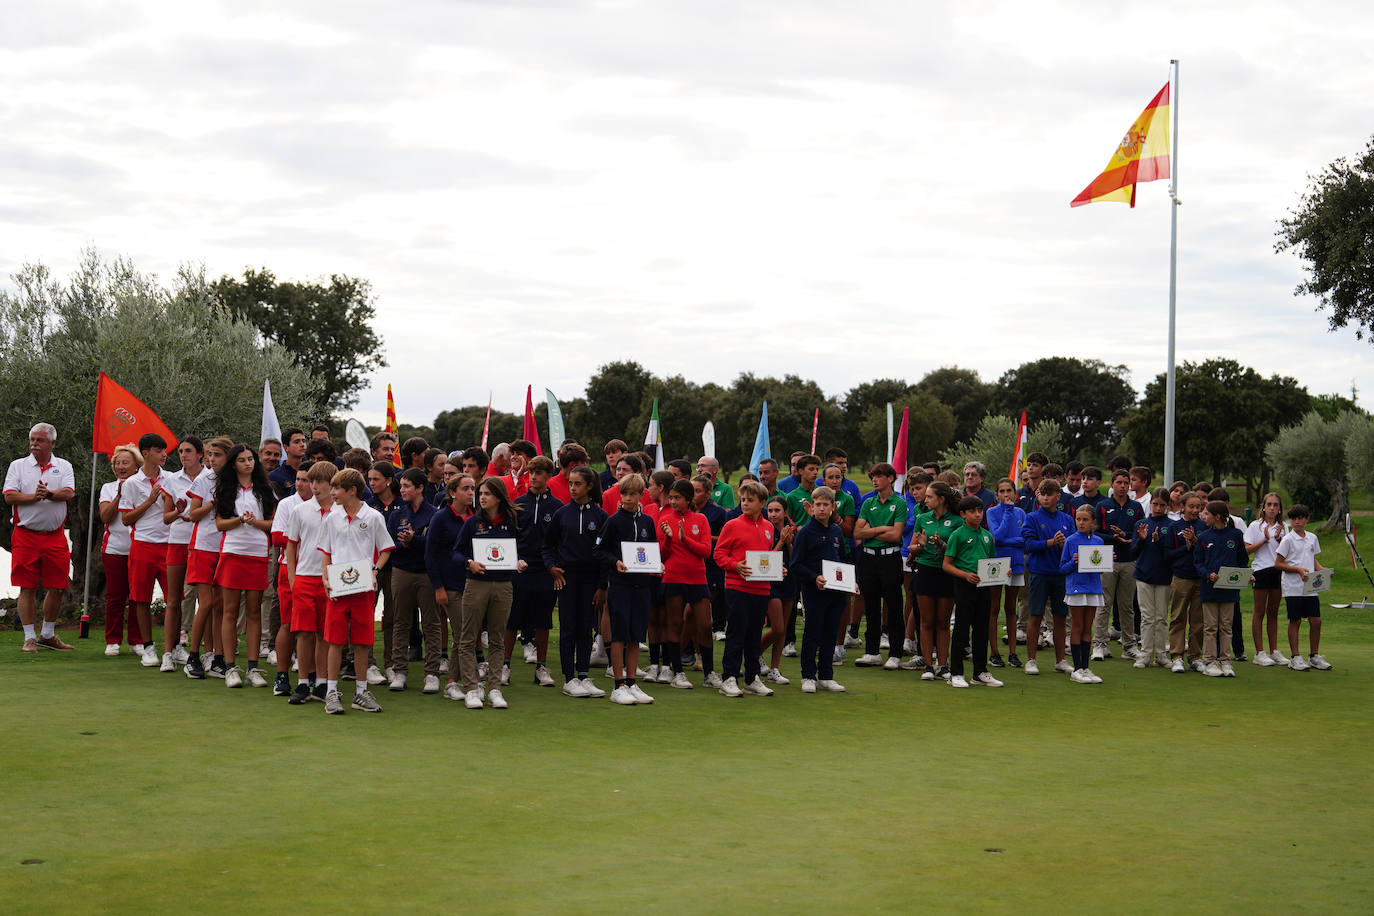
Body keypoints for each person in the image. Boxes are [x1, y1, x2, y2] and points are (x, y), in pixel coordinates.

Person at [318, 468, 394, 714]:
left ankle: (361, 693)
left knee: (362, 643)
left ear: (351, 490)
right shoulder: (331, 517)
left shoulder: (373, 517)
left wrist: (374, 571)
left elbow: (385, 549)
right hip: (338, 589)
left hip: (363, 589)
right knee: (335, 641)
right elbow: (326, 552)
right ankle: (331, 692)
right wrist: (325, 578)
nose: (332, 493)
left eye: (336, 488)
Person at [454, 476, 526, 709]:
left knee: (497, 639)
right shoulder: (472, 523)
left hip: (503, 585)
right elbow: (455, 553)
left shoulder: (511, 521)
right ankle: (472, 689)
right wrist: (468, 563)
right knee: (468, 638)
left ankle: (494, 689)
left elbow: (518, 551)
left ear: (498, 496)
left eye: (487, 494)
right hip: (476, 584)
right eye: (480, 493)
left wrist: (520, 562)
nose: (481, 497)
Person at [213, 444, 277, 688]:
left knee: (254, 612)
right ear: (233, 464)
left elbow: (272, 525)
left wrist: (254, 522)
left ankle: (252, 668)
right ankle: (230, 668)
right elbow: (220, 524)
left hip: (258, 554)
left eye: (250, 459)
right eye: (242, 460)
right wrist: (240, 520)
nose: (248, 463)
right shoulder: (226, 490)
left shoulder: (266, 490)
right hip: (232, 553)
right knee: (229, 612)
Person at [593, 473, 660, 704]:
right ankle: (618, 685)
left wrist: (658, 564)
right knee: (619, 634)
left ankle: (632, 683)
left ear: (642, 495)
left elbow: (651, 549)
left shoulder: (647, 522)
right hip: (620, 585)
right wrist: (616, 562)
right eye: (624, 494)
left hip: (642, 585)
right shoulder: (613, 521)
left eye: (632, 494)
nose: (627, 498)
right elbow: (599, 551)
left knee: (635, 635)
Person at [543, 464, 608, 698]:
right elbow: (547, 547)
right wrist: (552, 568)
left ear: (589, 486)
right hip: (567, 579)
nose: (572, 488)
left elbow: (605, 553)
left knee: (585, 629)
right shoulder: (562, 514)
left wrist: (602, 586)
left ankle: (583, 675)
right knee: (568, 628)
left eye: (577, 484)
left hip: (591, 581)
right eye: (570, 483)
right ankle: (569, 678)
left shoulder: (600, 516)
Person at [713, 480, 777, 697]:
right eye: (743, 500)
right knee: (736, 633)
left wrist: (779, 570)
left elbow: (766, 558)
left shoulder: (769, 527)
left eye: (750, 500)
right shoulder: (732, 525)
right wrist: (735, 565)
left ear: (762, 503)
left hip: (762, 589)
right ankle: (729, 678)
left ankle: (752, 678)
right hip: (736, 587)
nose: (745, 503)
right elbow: (719, 554)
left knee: (753, 634)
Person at [282, 460, 338, 703]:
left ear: (332, 484)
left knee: (325, 633)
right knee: (303, 633)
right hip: (305, 578)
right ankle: (303, 682)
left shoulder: (341, 511)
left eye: (320, 482)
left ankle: (323, 683)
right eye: (311, 481)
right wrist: (293, 580)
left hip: (332, 580)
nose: (314, 486)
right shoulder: (300, 510)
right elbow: (290, 547)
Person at [505, 456, 561, 689]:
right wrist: (515, 559)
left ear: (548, 476)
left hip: (545, 571)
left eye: (539, 472)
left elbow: (558, 542)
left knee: (543, 621)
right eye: (532, 472)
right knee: (511, 620)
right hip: (520, 569)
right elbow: (511, 538)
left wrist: (553, 566)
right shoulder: (518, 503)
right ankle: (504, 666)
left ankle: (541, 667)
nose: (534, 476)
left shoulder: (557, 507)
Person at [789, 485, 850, 693]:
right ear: (812, 506)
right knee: (812, 632)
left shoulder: (836, 531)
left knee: (830, 633)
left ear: (833, 507)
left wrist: (852, 582)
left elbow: (842, 559)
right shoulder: (805, 532)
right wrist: (814, 577)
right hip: (814, 590)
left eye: (825, 505)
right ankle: (808, 675)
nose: (821, 508)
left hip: (836, 591)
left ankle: (826, 676)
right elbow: (795, 564)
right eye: (818, 505)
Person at [119, 432, 173, 667]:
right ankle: (148, 647)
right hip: (142, 544)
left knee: (175, 599)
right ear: (146, 453)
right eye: (159, 451)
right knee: (141, 598)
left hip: (170, 544)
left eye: (164, 450)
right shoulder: (131, 483)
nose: (164, 454)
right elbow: (125, 519)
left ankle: (173, 647)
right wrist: (150, 501)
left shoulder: (171, 478)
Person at [658, 478, 717, 688]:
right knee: (675, 623)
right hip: (673, 577)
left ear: (688, 499)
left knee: (705, 625)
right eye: (671, 498)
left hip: (697, 578)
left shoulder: (700, 520)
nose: (673, 502)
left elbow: (706, 551)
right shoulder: (664, 518)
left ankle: (709, 673)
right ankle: (678, 673)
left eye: (677, 498)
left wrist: (684, 539)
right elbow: (662, 555)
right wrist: (667, 538)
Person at [386, 468, 440, 694]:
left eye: (407, 486)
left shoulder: (434, 514)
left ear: (420, 488)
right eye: (402, 486)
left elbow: (435, 546)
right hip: (401, 571)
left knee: (431, 623)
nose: (402, 490)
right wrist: (405, 544)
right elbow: (388, 544)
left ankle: (432, 674)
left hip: (427, 573)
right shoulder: (397, 514)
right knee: (401, 622)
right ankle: (399, 671)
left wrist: (414, 540)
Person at [184, 436, 232, 678]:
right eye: (210, 455)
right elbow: (193, 514)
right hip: (204, 546)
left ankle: (216, 657)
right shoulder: (205, 479)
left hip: (226, 547)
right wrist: (213, 503)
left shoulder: (234, 480)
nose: (211, 460)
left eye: (217, 455)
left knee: (221, 605)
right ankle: (193, 656)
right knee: (207, 603)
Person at [942, 496, 1002, 688]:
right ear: (963, 514)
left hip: (983, 587)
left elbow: (991, 562)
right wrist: (965, 575)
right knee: (961, 629)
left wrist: (1003, 571)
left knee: (981, 629)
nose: (977, 514)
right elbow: (947, 565)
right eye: (973, 511)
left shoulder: (987, 536)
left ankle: (980, 672)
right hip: (964, 586)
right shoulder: (957, 535)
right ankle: (956, 673)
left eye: (980, 510)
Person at [158, 436, 206, 671]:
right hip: (178, 541)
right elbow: (165, 518)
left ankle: (208, 653)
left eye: (188, 451)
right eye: (181, 452)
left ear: (200, 454)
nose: (183, 455)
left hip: (205, 543)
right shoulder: (172, 480)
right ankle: (169, 651)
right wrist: (177, 513)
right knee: (173, 599)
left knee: (206, 600)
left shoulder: (212, 478)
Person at [853, 462, 906, 669]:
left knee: (893, 605)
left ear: (890, 478)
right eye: (872, 477)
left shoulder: (899, 503)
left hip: (890, 558)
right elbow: (857, 533)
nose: (875, 480)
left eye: (879, 476)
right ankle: (872, 651)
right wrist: (883, 528)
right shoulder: (868, 503)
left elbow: (896, 534)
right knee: (871, 605)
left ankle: (895, 653)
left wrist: (872, 530)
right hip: (869, 558)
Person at [429, 473, 475, 699]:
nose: (470, 493)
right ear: (452, 492)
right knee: (463, 633)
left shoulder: (476, 517)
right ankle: (456, 682)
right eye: (465, 489)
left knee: (466, 634)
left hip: (473, 583)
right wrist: (438, 587)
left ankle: (458, 680)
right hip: (450, 585)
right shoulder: (440, 518)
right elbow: (431, 555)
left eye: (472, 489)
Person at [1022, 479, 1075, 676]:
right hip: (1039, 573)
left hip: (1061, 574)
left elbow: (1072, 545)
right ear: (1037, 496)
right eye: (1042, 494)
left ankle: (1060, 660)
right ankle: (1031, 660)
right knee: (1035, 616)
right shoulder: (1032, 518)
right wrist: (1051, 542)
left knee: (1060, 617)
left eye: (1049, 493)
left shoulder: (1068, 519)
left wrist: (1063, 546)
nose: (1045, 497)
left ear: (1058, 497)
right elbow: (1027, 545)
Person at [910, 481, 961, 680]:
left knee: (942, 622)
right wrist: (920, 546)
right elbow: (912, 547)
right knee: (926, 621)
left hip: (946, 573)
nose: (926, 499)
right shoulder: (922, 518)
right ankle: (928, 667)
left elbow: (956, 550)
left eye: (930, 497)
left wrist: (942, 543)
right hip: (925, 571)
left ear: (941, 499)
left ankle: (942, 665)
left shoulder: (957, 521)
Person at [1194, 499, 1250, 677]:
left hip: (1229, 589)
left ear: (1217, 516)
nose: (1204, 516)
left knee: (1226, 626)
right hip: (1209, 589)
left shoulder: (1235, 535)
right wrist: (1207, 574)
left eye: (1207, 513)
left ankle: (1225, 661)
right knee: (1210, 627)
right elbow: (1197, 563)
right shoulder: (1203, 537)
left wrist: (1245, 575)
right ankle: (1210, 660)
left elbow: (1242, 560)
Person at [1093, 470, 1143, 662]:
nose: (1123, 486)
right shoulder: (1103, 506)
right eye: (1119, 482)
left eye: (1126, 483)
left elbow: (1140, 532)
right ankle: (1100, 644)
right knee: (1104, 604)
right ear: (1112, 484)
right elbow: (1096, 533)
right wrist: (1112, 537)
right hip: (1107, 559)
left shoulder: (1136, 507)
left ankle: (1129, 645)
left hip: (1129, 560)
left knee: (1127, 606)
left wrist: (1126, 534)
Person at [1274, 505, 1332, 671]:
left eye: (1300, 518)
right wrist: (1298, 570)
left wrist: (1323, 571)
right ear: (1290, 521)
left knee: (1316, 621)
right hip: (1292, 587)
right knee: (1296, 620)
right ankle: (1295, 657)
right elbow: (1278, 564)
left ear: (1307, 519)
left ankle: (1314, 656)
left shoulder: (1312, 538)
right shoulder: (1287, 540)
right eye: (1293, 518)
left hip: (1310, 586)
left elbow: (1312, 560)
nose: (1297, 521)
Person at [98, 444, 141, 655]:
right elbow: (106, 516)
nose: (121, 467)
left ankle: (137, 641)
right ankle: (113, 640)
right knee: (115, 597)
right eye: (117, 463)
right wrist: (118, 495)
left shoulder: (143, 486)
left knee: (137, 596)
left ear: (136, 466)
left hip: (140, 549)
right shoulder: (107, 487)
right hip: (114, 549)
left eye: (125, 462)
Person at [1061, 505, 1106, 683]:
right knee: (1077, 627)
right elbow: (1063, 567)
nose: (1081, 522)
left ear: (1093, 521)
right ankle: (1077, 669)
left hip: (1094, 588)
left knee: (1088, 628)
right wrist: (1074, 561)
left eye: (1085, 519)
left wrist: (1106, 561)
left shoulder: (1099, 541)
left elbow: (1100, 569)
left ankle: (1086, 668)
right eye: (1078, 519)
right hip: (1076, 588)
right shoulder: (1070, 540)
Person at [1130, 488, 1175, 668]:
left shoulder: (1172, 526)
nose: (1157, 508)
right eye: (1155, 504)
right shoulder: (1141, 524)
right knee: (1147, 616)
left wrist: (1160, 540)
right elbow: (1133, 551)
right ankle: (1145, 655)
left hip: (1164, 576)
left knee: (1161, 617)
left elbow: (1172, 553)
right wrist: (1142, 539)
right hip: (1143, 574)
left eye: (1162, 505)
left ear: (1167, 506)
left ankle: (1161, 655)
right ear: (1150, 504)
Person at [984, 477, 1025, 669]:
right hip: (997, 563)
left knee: (1011, 609)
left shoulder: (1021, 512)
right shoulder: (992, 512)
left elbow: (1023, 540)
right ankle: (994, 653)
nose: (1006, 494)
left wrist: (1009, 540)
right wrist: (1008, 512)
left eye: (1009, 491)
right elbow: (996, 537)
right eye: (1002, 491)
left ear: (1015, 493)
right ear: (997, 494)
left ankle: (1013, 653)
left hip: (1016, 563)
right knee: (993, 608)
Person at [1245, 493, 1289, 666]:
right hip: (1261, 571)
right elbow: (1247, 550)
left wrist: (1279, 539)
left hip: (1277, 571)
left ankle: (1274, 651)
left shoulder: (1284, 527)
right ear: (1263, 507)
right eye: (1269, 504)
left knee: (1273, 612)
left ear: (1279, 508)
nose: (1272, 508)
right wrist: (1264, 540)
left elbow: (1287, 552)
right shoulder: (1255, 526)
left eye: (1275, 505)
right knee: (1259, 611)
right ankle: (1259, 652)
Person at [1165, 492, 1206, 673]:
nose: (1195, 510)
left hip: (1200, 578)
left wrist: (1197, 543)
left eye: (1198, 507)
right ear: (1183, 507)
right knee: (1178, 617)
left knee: (1198, 620)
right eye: (1191, 506)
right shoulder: (1174, 527)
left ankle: (1195, 657)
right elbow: (1168, 555)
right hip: (1181, 577)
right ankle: (1176, 656)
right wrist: (1187, 546)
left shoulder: (1204, 527)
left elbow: (1208, 554)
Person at [759, 496, 797, 684]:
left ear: (785, 512)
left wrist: (789, 542)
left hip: (789, 581)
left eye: (777, 511)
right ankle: (753, 653)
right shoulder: (764, 529)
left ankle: (774, 669)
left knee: (782, 631)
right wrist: (781, 542)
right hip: (770, 581)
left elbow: (795, 559)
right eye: (770, 511)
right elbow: (764, 560)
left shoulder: (792, 529)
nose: (773, 514)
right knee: (777, 627)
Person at [268, 428, 306, 497]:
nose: (302, 444)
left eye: (303, 441)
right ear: (286, 447)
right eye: (297, 442)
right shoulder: (274, 476)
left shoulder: (312, 470)